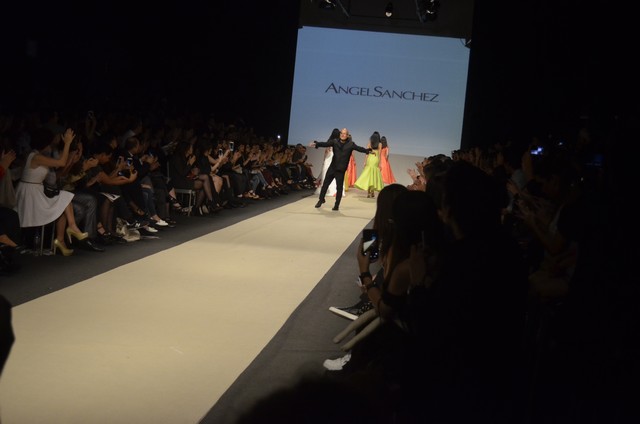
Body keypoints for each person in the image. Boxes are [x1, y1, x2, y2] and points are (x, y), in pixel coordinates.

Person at [15, 127, 89, 256]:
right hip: (30, 194)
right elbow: (61, 163)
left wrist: (71, 157)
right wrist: (67, 144)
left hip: (35, 191)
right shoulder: (36, 157)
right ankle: (70, 229)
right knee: (63, 198)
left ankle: (62, 237)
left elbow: (57, 173)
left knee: (63, 201)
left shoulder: (36, 155)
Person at [309, 128, 371, 211]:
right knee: (325, 184)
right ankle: (321, 200)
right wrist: (316, 144)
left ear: (347, 135)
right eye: (341, 133)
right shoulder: (335, 141)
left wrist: (368, 151)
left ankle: (336, 205)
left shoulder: (351, 144)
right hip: (332, 167)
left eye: (344, 133)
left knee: (339, 188)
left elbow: (360, 149)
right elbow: (325, 144)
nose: (342, 135)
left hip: (341, 170)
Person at [353, 131, 384, 199]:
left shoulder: (370, 143)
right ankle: (372, 192)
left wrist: (365, 161)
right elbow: (379, 154)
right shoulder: (380, 144)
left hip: (370, 158)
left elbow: (367, 152)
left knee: (369, 175)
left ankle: (369, 193)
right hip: (375, 159)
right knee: (374, 175)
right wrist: (380, 163)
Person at [314, 129, 340, 197]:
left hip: (329, 157)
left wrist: (324, 160)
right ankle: (335, 190)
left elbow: (326, 151)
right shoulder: (339, 141)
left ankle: (325, 189)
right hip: (335, 157)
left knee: (325, 172)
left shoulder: (330, 141)